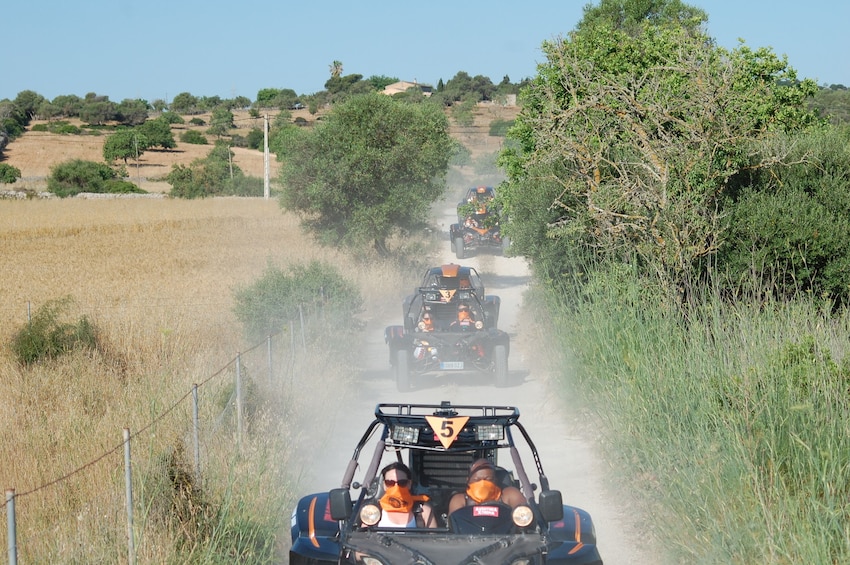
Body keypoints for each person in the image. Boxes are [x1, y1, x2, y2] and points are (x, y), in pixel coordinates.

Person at [447, 459, 526, 516]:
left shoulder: (509, 495)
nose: (482, 484)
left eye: (488, 479)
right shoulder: (460, 499)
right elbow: (454, 524)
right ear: (468, 481)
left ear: (495, 480)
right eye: (477, 480)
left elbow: (524, 514)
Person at [377, 462, 437, 528]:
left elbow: (434, 537)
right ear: (384, 485)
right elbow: (364, 536)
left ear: (409, 484)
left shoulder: (423, 510)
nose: (396, 487)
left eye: (402, 483)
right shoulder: (373, 510)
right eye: (390, 483)